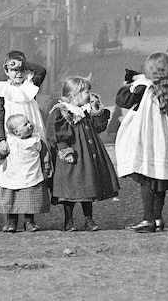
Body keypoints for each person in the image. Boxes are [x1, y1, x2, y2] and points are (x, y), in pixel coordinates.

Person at [115, 52, 168, 233]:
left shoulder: (144, 88)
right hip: (165, 144)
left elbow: (122, 100)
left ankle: (148, 219)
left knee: (146, 179)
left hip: (147, 141)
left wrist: (128, 83)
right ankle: (158, 218)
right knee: (160, 179)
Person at [46, 77, 119, 231]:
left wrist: (96, 109)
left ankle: (88, 219)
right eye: (86, 91)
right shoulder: (62, 111)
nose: (89, 94)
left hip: (87, 154)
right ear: (74, 94)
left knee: (88, 184)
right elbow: (55, 133)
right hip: (72, 154)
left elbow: (99, 127)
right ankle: (69, 220)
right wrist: (65, 150)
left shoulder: (86, 110)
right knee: (69, 187)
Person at [0, 51, 47, 180]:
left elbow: (41, 71)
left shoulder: (30, 85)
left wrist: (22, 64)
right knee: (11, 165)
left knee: (34, 161)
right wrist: (1, 140)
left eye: (22, 70)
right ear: (6, 71)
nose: (19, 73)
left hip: (32, 128)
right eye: (14, 70)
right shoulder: (1, 90)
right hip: (9, 132)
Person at [0, 115, 52, 232]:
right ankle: (12, 222)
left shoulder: (36, 141)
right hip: (12, 176)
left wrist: (46, 169)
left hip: (30, 174)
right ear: (16, 132)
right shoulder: (10, 141)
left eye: (29, 122)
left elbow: (45, 155)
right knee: (11, 200)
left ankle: (29, 221)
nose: (30, 125)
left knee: (29, 200)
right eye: (25, 125)